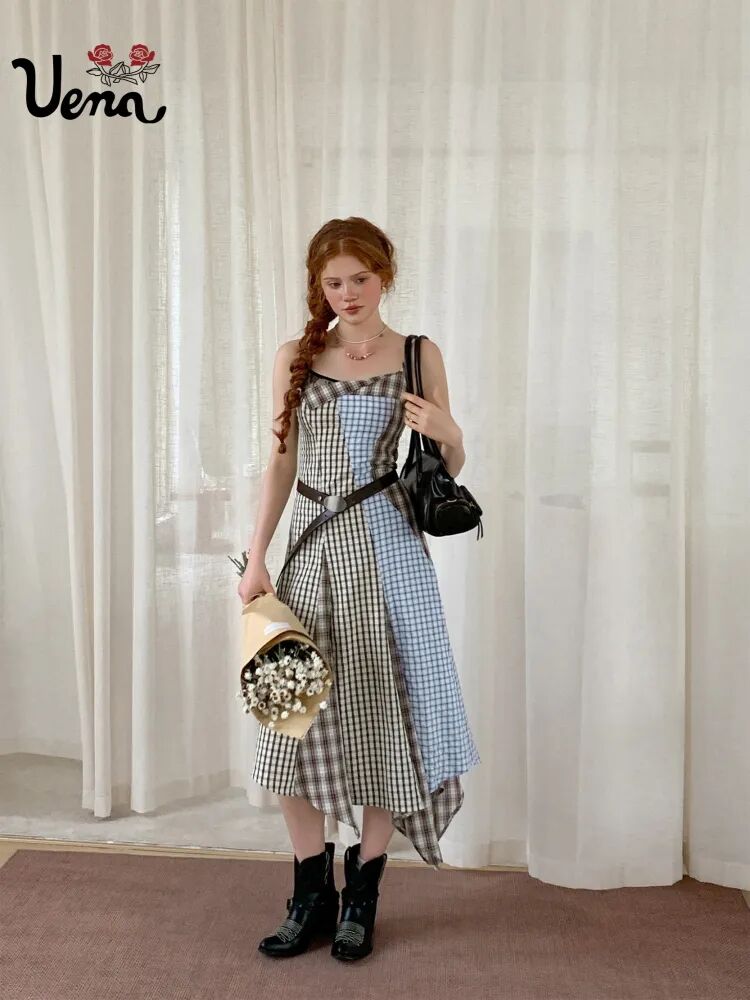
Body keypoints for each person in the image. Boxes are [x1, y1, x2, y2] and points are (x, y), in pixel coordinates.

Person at [239, 216, 480, 961]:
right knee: (288, 721)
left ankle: (362, 894)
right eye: (333, 282)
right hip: (309, 556)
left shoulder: (417, 353)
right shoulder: (295, 356)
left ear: (386, 277)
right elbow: (281, 465)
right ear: (319, 285)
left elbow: (443, 471)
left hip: (390, 556)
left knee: (383, 721)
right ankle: (309, 893)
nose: (347, 294)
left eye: (361, 279)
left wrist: (450, 432)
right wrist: (255, 558)